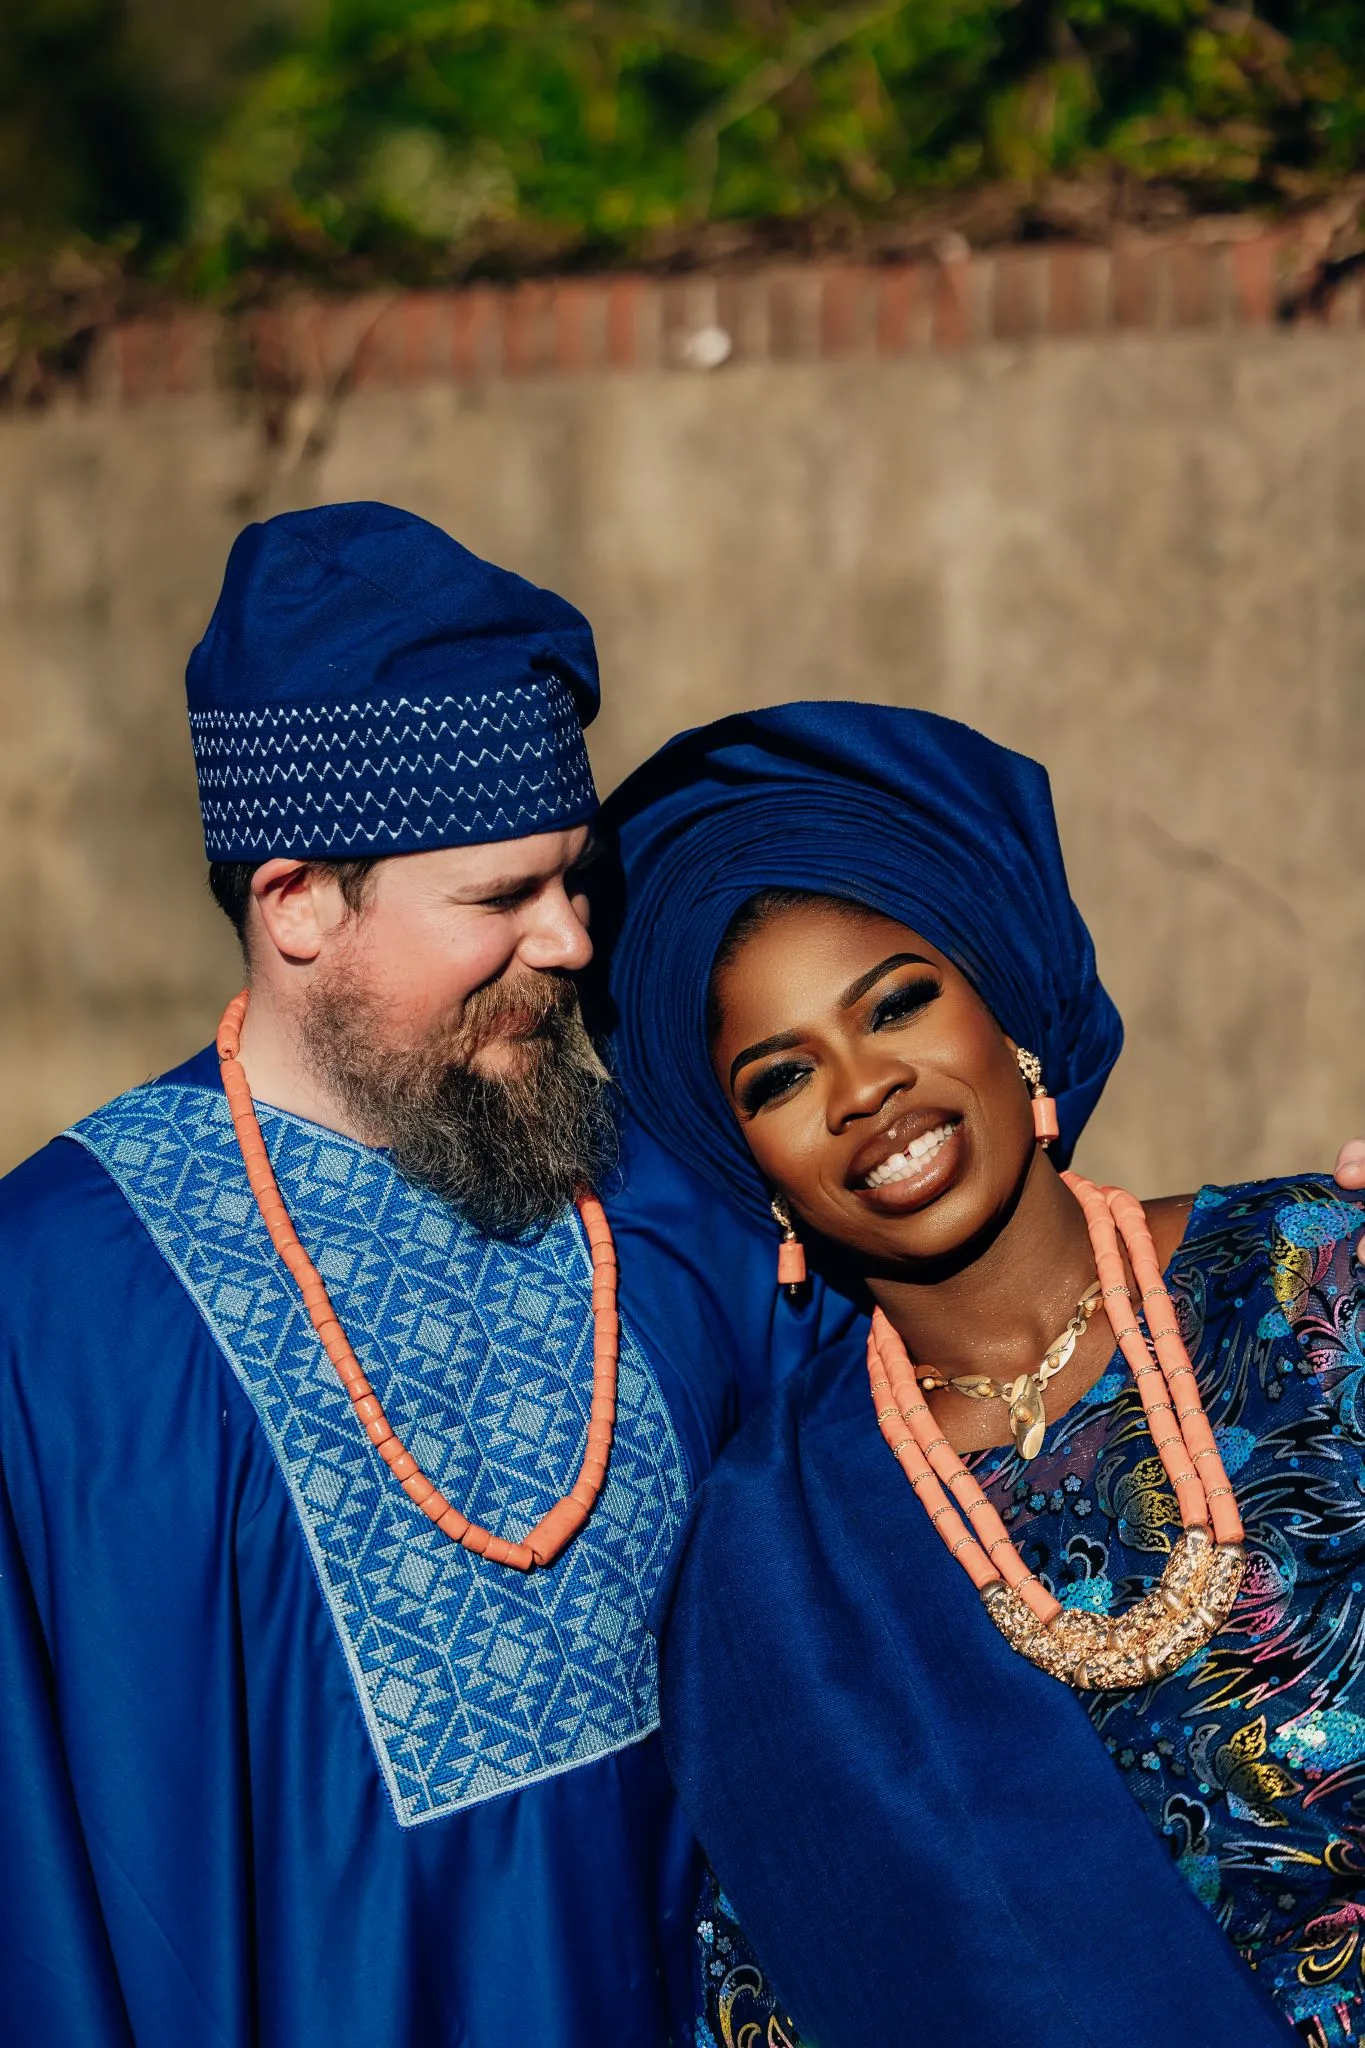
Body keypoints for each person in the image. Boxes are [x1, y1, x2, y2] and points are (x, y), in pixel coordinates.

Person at [0, 507, 854, 2047]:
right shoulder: (50, 1313)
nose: (574, 939)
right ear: (299, 901)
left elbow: (991, 1421)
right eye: (499, 899)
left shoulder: (677, 1200)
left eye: (574, 880)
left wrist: (1295, 1255)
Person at [600, 702, 1365, 2048]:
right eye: (783, 1078)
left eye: (896, 1003)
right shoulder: (778, 1557)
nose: (863, 1090)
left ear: (1005, 1007)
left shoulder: (1320, 1273)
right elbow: (783, 1988)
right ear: (755, 1168)